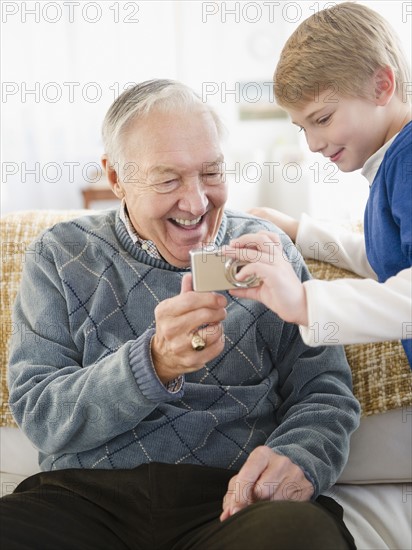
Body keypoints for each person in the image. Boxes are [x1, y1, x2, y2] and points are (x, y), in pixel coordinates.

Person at [0, 79, 360, 550]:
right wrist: (151, 364)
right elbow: (40, 411)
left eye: (211, 173)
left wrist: (302, 456)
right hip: (85, 502)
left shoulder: (264, 250)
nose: (195, 203)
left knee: (303, 536)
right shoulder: (62, 254)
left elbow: (324, 389)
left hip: (230, 503)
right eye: (168, 180)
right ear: (116, 178)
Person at [228, 2, 411, 366]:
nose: (313, 144)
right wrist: (302, 232)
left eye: (323, 119)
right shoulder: (390, 163)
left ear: (381, 86)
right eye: (303, 128)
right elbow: (389, 261)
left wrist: (303, 302)